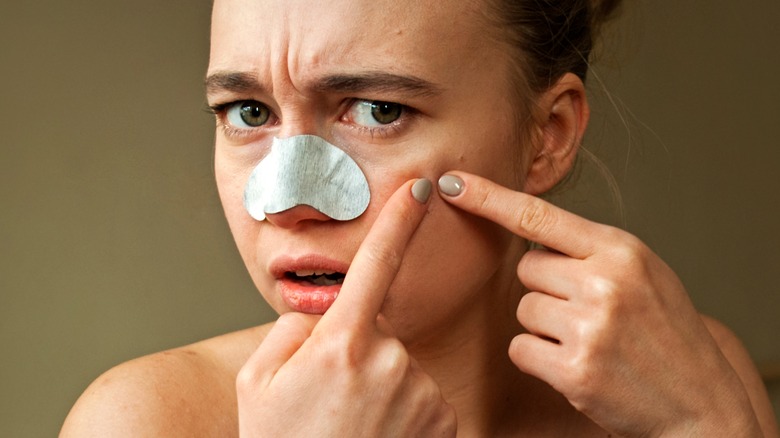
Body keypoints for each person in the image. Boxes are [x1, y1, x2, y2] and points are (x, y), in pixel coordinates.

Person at [60, 0, 778, 436]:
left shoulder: (688, 380)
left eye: (378, 111)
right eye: (248, 113)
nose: (285, 198)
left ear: (548, 134)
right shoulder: (143, 424)